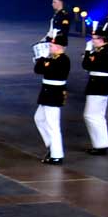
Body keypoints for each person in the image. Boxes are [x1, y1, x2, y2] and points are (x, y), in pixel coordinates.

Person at [33, 34, 70, 165]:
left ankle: (57, 154)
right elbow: (38, 70)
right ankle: (51, 145)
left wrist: (42, 59)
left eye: (52, 45)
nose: (49, 47)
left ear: (59, 47)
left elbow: (47, 70)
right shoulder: (52, 58)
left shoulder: (63, 60)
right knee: (39, 118)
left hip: (54, 95)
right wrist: (42, 59)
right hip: (47, 94)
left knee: (53, 125)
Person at [82, 26, 108, 155]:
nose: (93, 41)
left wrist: (87, 51)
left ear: (102, 40)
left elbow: (86, 65)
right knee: (98, 116)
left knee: (91, 115)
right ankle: (101, 143)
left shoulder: (103, 52)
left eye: (95, 38)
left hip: (98, 85)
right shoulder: (107, 50)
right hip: (102, 85)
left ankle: (100, 145)